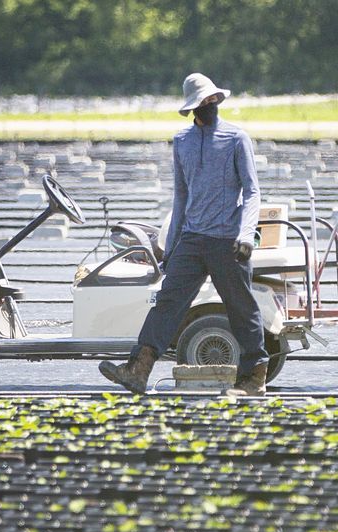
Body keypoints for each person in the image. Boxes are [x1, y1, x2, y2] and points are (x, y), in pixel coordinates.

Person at [100, 72, 269, 396]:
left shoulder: (236, 139)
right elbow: (181, 198)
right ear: (193, 107)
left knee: (241, 307)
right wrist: (169, 246)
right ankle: (138, 370)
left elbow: (252, 193)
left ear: (217, 100)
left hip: (228, 241)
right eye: (203, 101)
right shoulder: (182, 142)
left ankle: (253, 379)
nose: (209, 104)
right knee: (166, 303)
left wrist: (246, 235)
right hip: (191, 239)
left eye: (212, 99)